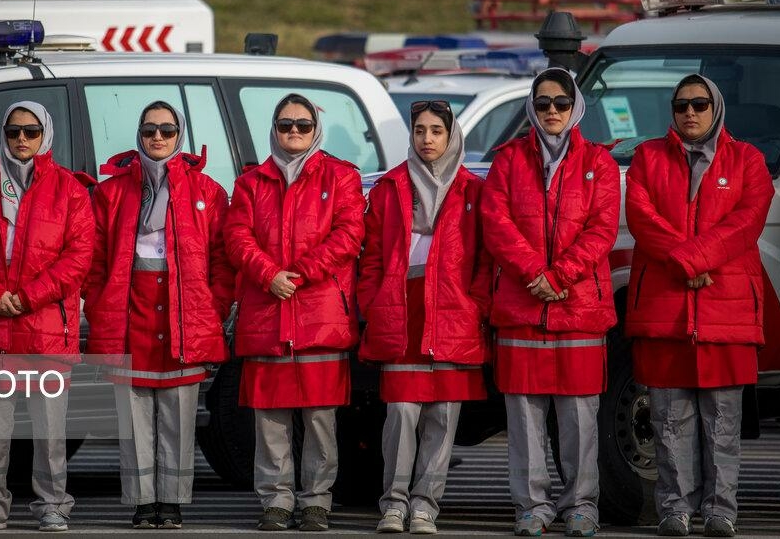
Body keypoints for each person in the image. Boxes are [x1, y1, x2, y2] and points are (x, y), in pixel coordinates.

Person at [624, 75, 773, 538]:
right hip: (664, 311)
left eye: (700, 104)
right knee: (668, 421)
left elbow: (748, 219)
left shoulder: (748, 159)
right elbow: (642, 217)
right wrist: (688, 263)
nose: (690, 112)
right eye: (681, 104)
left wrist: (692, 260)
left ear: (716, 107)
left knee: (722, 424)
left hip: (727, 315)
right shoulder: (647, 157)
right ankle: (674, 509)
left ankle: (720, 510)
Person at [481, 68, 620, 538]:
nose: (552, 111)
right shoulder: (507, 160)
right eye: (542, 103)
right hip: (521, 307)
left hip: (578, 309)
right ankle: (531, 506)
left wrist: (558, 276)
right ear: (531, 108)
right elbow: (496, 222)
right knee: (524, 419)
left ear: (575, 105)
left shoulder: (599, 162)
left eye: (561, 102)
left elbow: (601, 229)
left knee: (580, 418)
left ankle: (581, 505)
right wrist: (532, 274)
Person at [83, 101, 234, 530]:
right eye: (150, 130)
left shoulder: (208, 191)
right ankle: (142, 501)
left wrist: (212, 307)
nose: (158, 138)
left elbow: (222, 261)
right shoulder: (112, 192)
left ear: (179, 135)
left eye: (167, 130)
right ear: (139, 134)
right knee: (133, 417)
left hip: (184, 314)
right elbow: (93, 261)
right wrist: (99, 305)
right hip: (130, 311)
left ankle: (172, 501)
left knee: (178, 415)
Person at [223, 93, 365, 532]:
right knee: (269, 420)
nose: (294, 132)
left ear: (315, 130)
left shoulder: (341, 176)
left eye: (303, 125)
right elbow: (236, 236)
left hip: (321, 317)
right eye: (286, 125)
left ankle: (317, 501)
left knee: (320, 419)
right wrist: (268, 275)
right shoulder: (250, 183)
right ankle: (276, 500)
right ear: (274, 129)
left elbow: (349, 234)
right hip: (266, 315)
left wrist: (299, 274)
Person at [0, 101, 93, 533]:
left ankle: (53, 504)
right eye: (14, 131)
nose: (22, 139)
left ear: (45, 134)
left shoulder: (69, 189)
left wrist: (29, 297)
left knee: (50, 430)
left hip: (45, 325)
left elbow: (79, 256)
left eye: (31, 131)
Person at [358, 100, 491, 534]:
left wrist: (475, 305)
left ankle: (425, 506)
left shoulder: (472, 190)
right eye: (419, 130)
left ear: (451, 135)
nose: (427, 139)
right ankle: (394, 503)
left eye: (436, 130)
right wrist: (373, 302)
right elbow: (372, 257)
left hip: (453, 314)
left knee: (442, 417)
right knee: (400, 413)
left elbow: (485, 259)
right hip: (402, 312)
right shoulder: (389, 187)